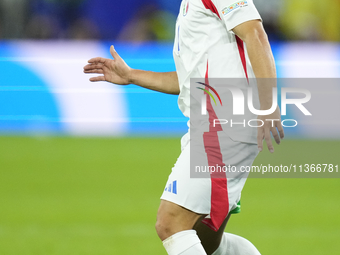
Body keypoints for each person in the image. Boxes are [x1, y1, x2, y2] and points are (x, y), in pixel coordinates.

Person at [83, 0, 284, 254]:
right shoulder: (189, 6)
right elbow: (186, 79)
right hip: (210, 124)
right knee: (207, 242)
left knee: (170, 222)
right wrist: (131, 75)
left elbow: (255, 33)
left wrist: (268, 103)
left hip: (224, 123)